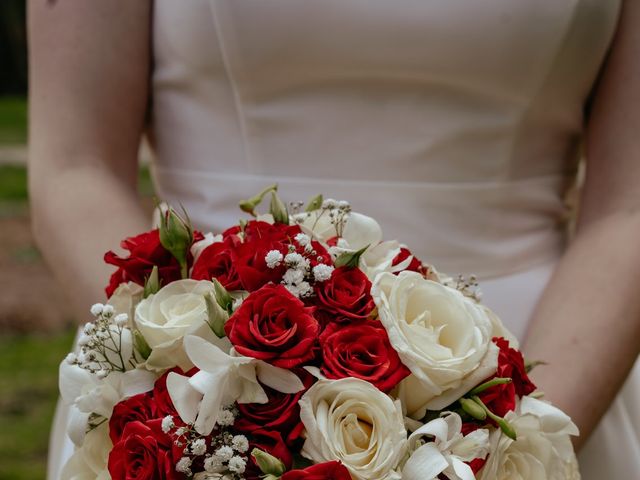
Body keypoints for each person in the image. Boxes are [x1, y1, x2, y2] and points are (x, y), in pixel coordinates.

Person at [28, 1, 640, 478]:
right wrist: (186, 418)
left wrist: (507, 451)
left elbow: (628, 209)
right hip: (204, 402)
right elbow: (75, 167)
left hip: (549, 369)